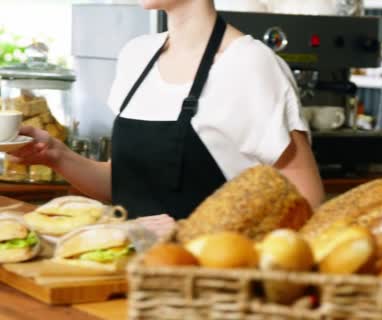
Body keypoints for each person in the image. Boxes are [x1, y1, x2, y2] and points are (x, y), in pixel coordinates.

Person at [8, 0, 325, 236]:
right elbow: (127, 183)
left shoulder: (252, 65)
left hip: (202, 287)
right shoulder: (137, 55)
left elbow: (307, 205)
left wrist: (189, 233)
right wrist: (57, 155)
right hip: (123, 272)